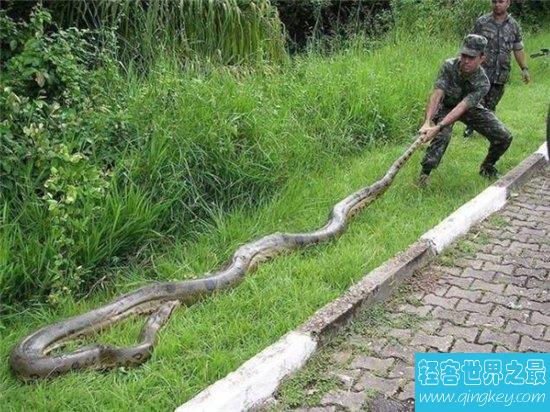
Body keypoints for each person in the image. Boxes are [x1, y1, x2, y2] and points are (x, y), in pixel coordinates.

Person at [416, 34, 513, 187]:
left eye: (472, 57)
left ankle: (487, 168)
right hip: (446, 106)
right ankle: (423, 176)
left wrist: (438, 126)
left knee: (504, 136)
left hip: (468, 108)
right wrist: (428, 122)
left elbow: (463, 106)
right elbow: (437, 93)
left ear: (482, 58)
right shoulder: (448, 66)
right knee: (442, 136)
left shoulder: (483, 82)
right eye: (464, 55)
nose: (466, 61)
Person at [464, 0, 529, 138]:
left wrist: (524, 68)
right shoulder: (482, 22)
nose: (497, 4)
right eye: (494, 1)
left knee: (491, 104)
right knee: (477, 99)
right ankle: (471, 126)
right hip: (482, 71)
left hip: (501, 73)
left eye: (501, 1)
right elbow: (470, 46)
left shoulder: (514, 25)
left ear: (508, 3)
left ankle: (487, 128)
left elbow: (518, 49)